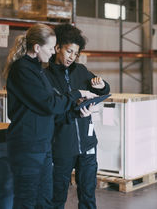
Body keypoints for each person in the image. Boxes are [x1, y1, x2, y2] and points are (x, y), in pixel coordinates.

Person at [3, 24, 97, 209]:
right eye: (50, 48)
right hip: (28, 145)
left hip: (43, 145)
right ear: (37, 47)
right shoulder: (23, 70)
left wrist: (75, 112)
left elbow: (52, 106)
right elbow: (49, 104)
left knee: (45, 200)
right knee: (27, 200)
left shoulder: (36, 68)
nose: (53, 51)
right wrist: (77, 93)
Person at [44, 24, 110, 209]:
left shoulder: (81, 71)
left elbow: (105, 89)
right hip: (62, 145)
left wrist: (101, 86)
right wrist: (74, 111)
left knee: (88, 195)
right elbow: (51, 110)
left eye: (76, 53)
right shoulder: (46, 77)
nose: (72, 57)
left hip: (88, 143)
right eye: (69, 51)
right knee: (57, 197)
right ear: (57, 48)